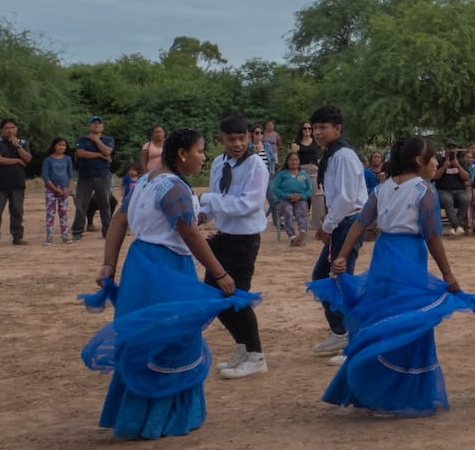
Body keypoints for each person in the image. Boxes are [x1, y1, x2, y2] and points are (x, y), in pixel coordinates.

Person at [79, 127, 254, 440]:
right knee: (173, 336)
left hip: (140, 264)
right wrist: (220, 274)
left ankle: (134, 416)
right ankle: (166, 417)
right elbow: (187, 233)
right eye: (200, 151)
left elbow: (120, 220)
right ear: (183, 153)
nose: (204, 157)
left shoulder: (145, 181)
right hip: (167, 268)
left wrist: (108, 264)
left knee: (145, 335)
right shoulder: (173, 187)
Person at [311, 136, 475, 416]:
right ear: (419, 162)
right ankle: (394, 396)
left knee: (384, 317)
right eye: (433, 158)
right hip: (409, 256)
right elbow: (433, 236)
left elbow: (360, 223)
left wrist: (341, 254)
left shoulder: (382, 188)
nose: (436, 163)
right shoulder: (424, 190)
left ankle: (374, 388)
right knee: (408, 322)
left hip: (384, 255)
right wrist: (448, 274)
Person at [198, 113, 270, 380]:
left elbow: (248, 205)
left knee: (237, 298)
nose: (237, 144)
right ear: (221, 140)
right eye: (231, 139)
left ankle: (256, 355)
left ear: (249, 137)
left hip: (244, 240)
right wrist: (204, 211)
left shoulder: (255, 166)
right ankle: (242, 347)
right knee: (214, 297)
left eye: (242, 138)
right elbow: (220, 198)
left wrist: (207, 199)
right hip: (223, 236)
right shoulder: (219, 163)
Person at [309, 105, 369, 362]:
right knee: (324, 276)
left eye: (323, 128)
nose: (318, 133)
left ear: (338, 129)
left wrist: (327, 226)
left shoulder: (343, 156)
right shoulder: (332, 155)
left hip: (348, 222)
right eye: (315, 128)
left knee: (340, 281)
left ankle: (353, 338)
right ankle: (339, 330)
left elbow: (345, 199)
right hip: (340, 221)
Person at [0, 118, 32, 247]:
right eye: (7, 128)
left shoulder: (23, 142)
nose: (10, 130)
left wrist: (17, 146)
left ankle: (17, 237)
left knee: (17, 211)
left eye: (12, 127)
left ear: (16, 129)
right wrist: (17, 161)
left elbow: (28, 159)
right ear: (2, 130)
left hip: (17, 183)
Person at [73, 116, 116, 241]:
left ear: (102, 126)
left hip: (103, 175)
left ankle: (107, 231)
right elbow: (81, 153)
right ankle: (77, 231)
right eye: (94, 123)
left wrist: (97, 141)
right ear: (89, 126)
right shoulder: (82, 139)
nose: (96, 125)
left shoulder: (108, 139)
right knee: (81, 204)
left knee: (105, 204)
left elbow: (107, 152)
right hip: (85, 176)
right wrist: (100, 155)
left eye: (99, 123)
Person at [273, 152, 313, 246]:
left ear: (299, 162)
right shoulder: (282, 174)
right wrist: (287, 196)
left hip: (300, 199)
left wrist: (301, 196)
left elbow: (309, 190)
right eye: (291, 160)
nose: (294, 162)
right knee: (288, 212)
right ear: (287, 162)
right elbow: (275, 189)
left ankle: (302, 233)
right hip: (284, 199)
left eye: (296, 160)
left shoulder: (303, 174)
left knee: (302, 210)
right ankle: (293, 237)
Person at [434, 147, 473, 235]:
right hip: (444, 190)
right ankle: (457, 226)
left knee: (465, 199)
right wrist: (444, 167)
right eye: (449, 148)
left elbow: (466, 177)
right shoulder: (439, 161)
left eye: (453, 148)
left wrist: (458, 166)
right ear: (445, 149)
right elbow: (435, 176)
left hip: (459, 190)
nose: (451, 150)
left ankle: (455, 226)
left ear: (456, 150)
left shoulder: (461, 161)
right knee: (447, 201)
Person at [43, 137, 74, 244]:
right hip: (51, 190)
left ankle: (65, 236)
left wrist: (68, 188)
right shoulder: (48, 160)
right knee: (50, 213)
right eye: (59, 145)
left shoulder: (68, 159)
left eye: (64, 145)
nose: (62, 147)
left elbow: (70, 175)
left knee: (64, 213)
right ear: (54, 146)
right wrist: (55, 189)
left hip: (64, 190)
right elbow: (46, 177)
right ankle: (49, 237)